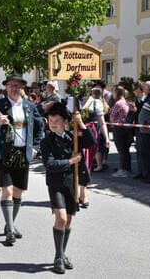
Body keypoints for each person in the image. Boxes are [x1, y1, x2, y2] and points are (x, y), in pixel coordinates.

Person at [0, 70, 44, 246]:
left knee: (18, 192)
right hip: (4, 153)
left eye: (17, 85)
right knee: (7, 191)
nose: (14, 88)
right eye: (11, 85)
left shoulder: (30, 107)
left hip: (23, 153)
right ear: (6, 87)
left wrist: (36, 147)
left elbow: (40, 128)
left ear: (22, 87)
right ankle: (10, 230)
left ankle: (10, 225)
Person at [40, 103, 96, 274]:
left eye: (57, 121)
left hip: (72, 183)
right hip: (56, 184)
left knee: (69, 221)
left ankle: (62, 254)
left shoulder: (73, 137)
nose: (53, 124)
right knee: (61, 219)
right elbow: (49, 164)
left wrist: (81, 124)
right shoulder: (46, 141)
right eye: (50, 121)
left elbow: (91, 142)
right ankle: (58, 257)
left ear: (65, 122)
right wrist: (71, 162)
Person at [110, 86, 133, 177]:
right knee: (125, 150)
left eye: (114, 92)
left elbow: (112, 117)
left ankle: (123, 170)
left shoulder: (118, 103)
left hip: (118, 128)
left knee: (121, 150)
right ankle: (125, 168)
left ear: (116, 93)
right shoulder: (126, 102)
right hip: (126, 128)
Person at [131, 81, 146, 179]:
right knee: (139, 150)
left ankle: (145, 172)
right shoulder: (137, 99)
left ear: (139, 89)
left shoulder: (146, 99)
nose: (133, 92)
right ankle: (140, 171)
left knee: (144, 151)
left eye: (134, 89)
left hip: (145, 129)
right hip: (138, 127)